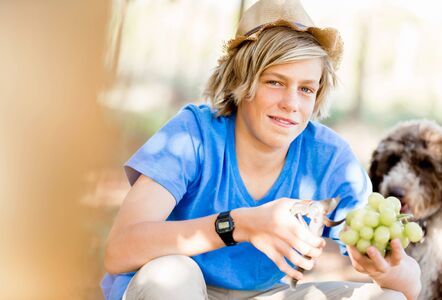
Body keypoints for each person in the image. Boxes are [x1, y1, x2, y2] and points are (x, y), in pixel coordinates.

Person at [101, 0, 421, 299]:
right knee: (170, 274)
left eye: (306, 88)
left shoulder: (328, 156)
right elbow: (119, 249)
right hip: (180, 290)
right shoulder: (192, 135)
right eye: (275, 82)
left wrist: (393, 269)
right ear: (241, 80)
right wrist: (240, 224)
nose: (291, 104)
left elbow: (408, 288)